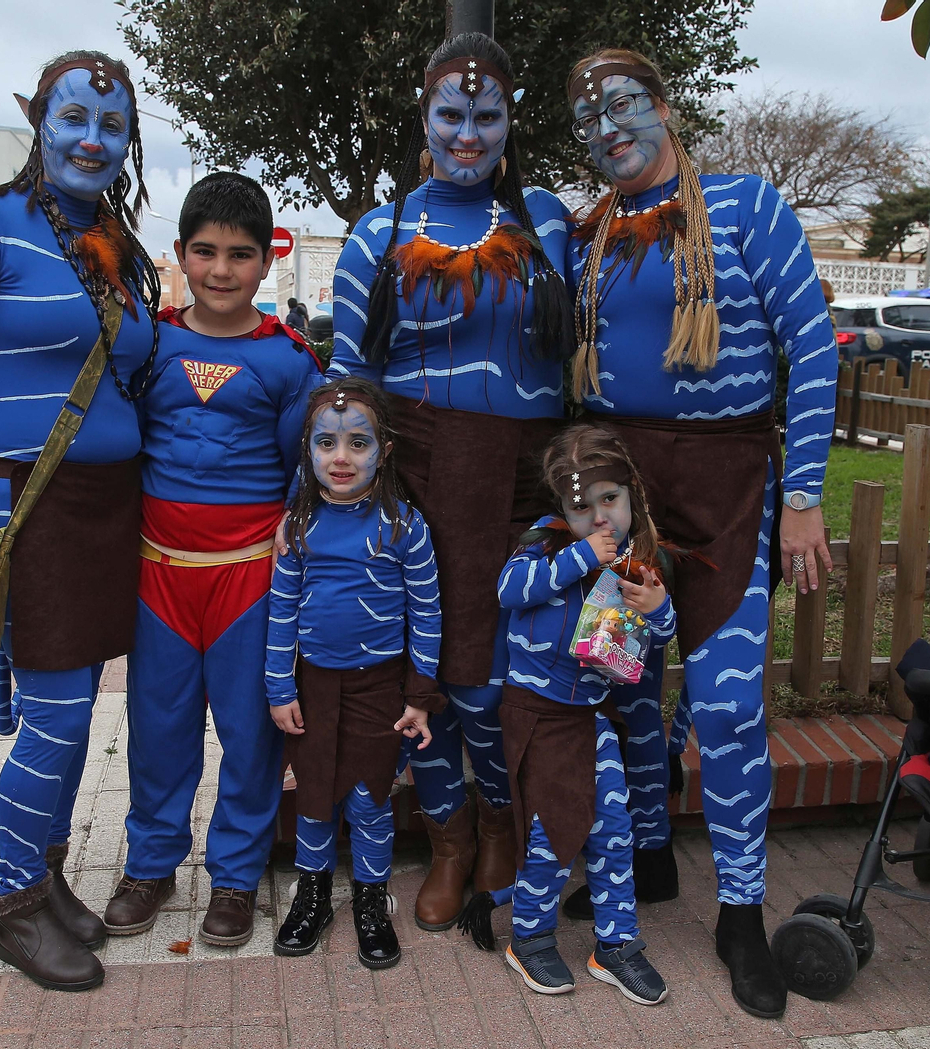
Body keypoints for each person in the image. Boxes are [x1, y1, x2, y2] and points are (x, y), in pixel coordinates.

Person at [562, 49, 838, 1019]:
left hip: (727, 482)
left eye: (625, 104)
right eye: (589, 115)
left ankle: (739, 912)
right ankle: (644, 857)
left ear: (665, 107)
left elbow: (810, 346)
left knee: (723, 706)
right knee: (623, 682)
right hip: (620, 486)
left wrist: (800, 492)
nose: (609, 125)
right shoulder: (584, 233)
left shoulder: (747, 206)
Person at [0, 50, 161, 991]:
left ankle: (46, 877)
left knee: (71, 709)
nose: (92, 140)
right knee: (55, 718)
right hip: (19, 501)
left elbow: (135, 371)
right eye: (73, 120)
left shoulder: (120, 246)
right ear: (39, 124)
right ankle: (15, 902)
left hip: (105, 507)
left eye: (111, 125)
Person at [325, 31, 574, 932]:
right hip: (417, 478)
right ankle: (451, 837)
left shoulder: (546, 221)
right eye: (451, 114)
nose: (469, 133)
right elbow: (345, 381)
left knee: (498, 678)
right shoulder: (377, 235)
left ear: (511, 123)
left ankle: (506, 827)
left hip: (520, 483)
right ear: (424, 118)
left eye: (487, 116)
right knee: (416, 672)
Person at [107, 172, 323, 947]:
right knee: (157, 728)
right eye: (205, 252)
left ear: (266, 262)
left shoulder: (292, 360)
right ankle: (152, 862)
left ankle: (235, 874)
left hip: (249, 582)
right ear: (180, 255)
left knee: (250, 732)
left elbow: (312, 470)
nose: (221, 270)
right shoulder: (151, 343)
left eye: (240, 254)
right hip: (159, 575)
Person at [489, 424, 674, 1005]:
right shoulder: (544, 547)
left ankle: (616, 946)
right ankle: (531, 938)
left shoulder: (634, 566)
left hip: (588, 720)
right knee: (551, 833)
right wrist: (576, 558)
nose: (599, 518)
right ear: (560, 507)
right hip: (536, 719)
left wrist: (660, 607)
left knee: (613, 832)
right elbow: (508, 591)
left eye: (610, 501)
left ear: (630, 496)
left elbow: (659, 639)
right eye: (581, 506)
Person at [266, 378, 443, 969]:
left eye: (358, 443)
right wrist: (278, 686)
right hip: (313, 688)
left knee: (369, 800)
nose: (341, 458)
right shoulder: (296, 526)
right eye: (326, 443)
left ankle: (371, 897)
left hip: (380, 689)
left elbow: (427, 613)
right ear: (308, 450)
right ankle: (313, 893)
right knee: (315, 797)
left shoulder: (405, 527)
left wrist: (419, 694)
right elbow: (281, 610)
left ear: (385, 449)